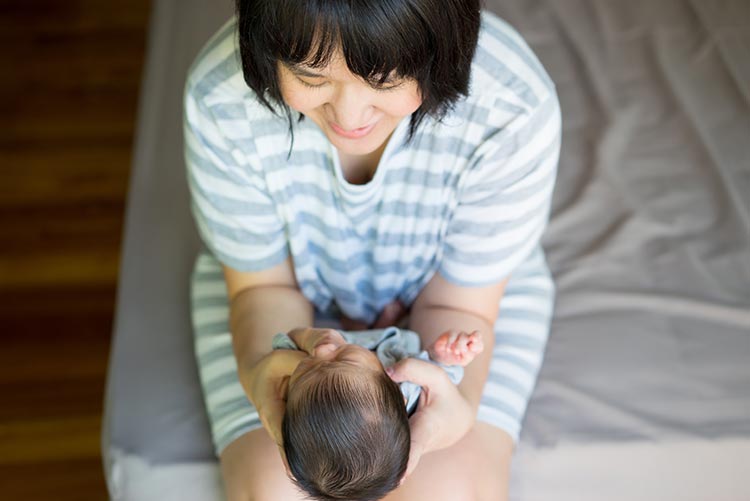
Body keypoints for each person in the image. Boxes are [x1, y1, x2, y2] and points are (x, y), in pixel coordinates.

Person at [185, 0, 561, 499]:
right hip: (276, 291)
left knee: (451, 490)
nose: (349, 116)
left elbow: (459, 308)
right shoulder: (220, 97)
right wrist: (264, 375)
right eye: (311, 77)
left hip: (463, 298)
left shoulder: (511, 104)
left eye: (383, 80)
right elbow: (264, 288)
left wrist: (449, 402)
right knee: (270, 490)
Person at [276, 327, 482, 500]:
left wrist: (313, 337)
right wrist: (445, 354)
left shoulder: (294, 383)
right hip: (397, 336)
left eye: (305, 368)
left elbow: (289, 336)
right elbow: (442, 378)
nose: (323, 350)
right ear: (398, 394)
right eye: (345, 359)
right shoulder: (406, 388)